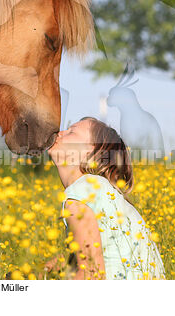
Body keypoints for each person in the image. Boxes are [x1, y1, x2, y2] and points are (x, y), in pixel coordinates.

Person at [45, 116, 166, 280]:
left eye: (71, 131)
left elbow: (91, 274)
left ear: (91, 151)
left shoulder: (81, 192)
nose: (60, 133)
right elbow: (82, 256)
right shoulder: (99, 191)